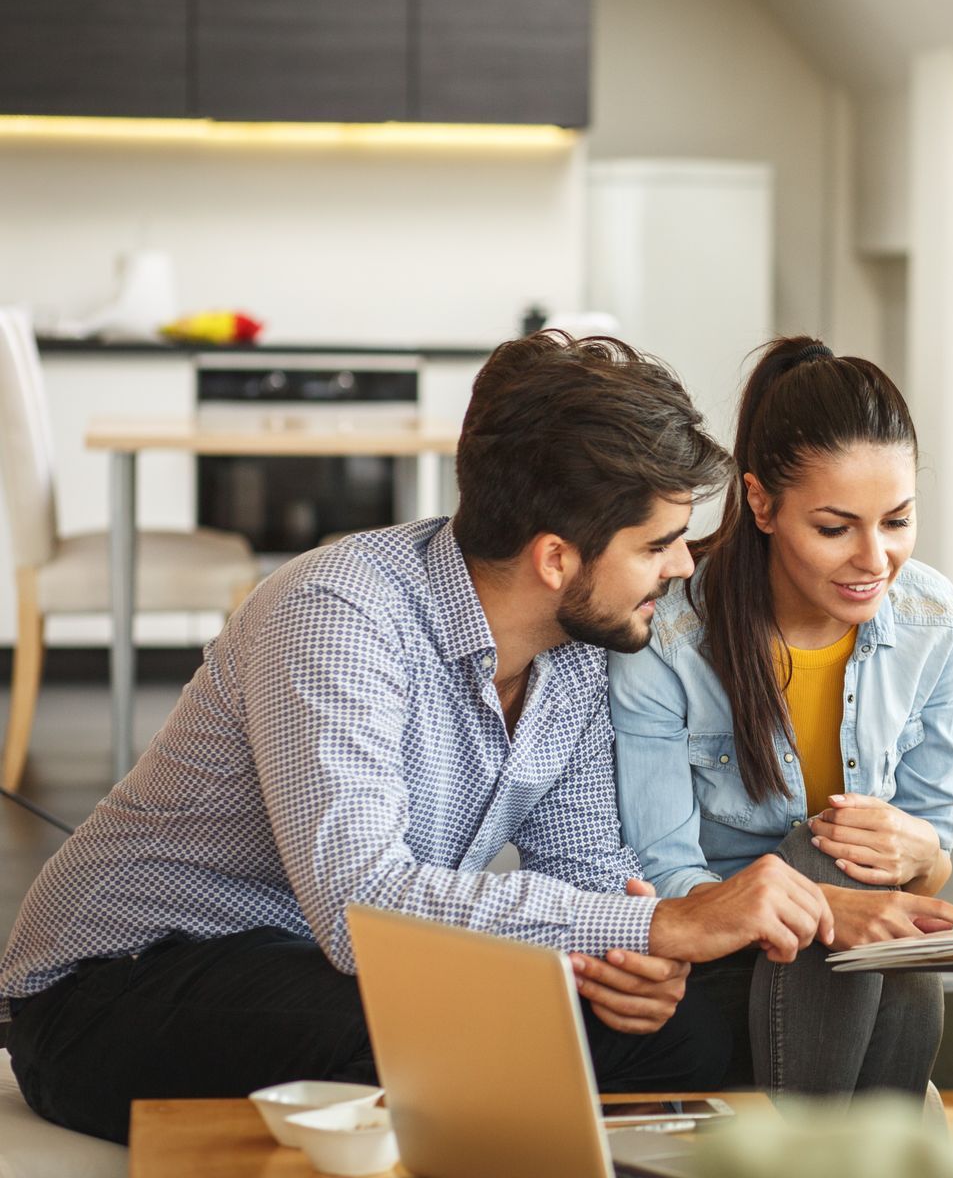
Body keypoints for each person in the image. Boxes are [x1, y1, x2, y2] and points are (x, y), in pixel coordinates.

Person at [0, 333, 838, 1144]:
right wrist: (661, 929)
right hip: (116, 984)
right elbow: (358, 904)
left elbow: (585, 878)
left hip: (327, 970)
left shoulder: (579, 652)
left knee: (684, 1037)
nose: (685, 567)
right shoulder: (338, 613)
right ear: (555, 558)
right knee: (439, 1035)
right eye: (658, 545)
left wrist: (629, 962)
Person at [610, 337, 953, 1099]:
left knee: (885, 931)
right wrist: (823, 905)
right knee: (819, 857)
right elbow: (664, 874)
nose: (875, 559)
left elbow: (932, 855)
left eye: (898, 521)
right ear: (761, 503)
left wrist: (917, 851)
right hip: (721, 952)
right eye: (836, 528)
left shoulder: (935, 622)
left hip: (859, 955)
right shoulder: (671, 636)